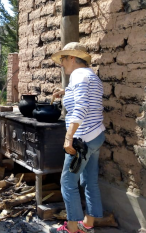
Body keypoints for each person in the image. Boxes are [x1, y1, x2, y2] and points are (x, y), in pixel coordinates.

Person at [49, 42, 105, 233]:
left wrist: (68, 137)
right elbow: (87, 97)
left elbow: (81, 107)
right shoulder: (92, 76)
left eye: (63, 59)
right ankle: (88, 224)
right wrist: (65, 92)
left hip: (82, 139)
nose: (62, 64)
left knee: (68, 182)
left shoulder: (78, 75)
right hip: (97, 135)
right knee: (90, 181)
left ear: (72, 58)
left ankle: (72, 228)